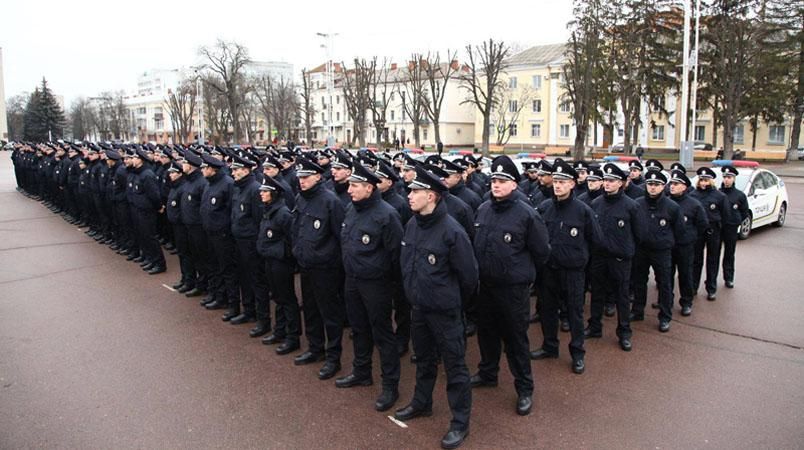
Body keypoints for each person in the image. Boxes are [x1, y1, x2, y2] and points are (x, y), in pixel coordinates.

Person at [394, 165, 478, 450]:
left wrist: (451, 302)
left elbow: (469, 277)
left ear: (430, 196)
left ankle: (459, 422)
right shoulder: (413, 224)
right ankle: (422, 403)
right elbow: (407, 263)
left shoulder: (451, 231)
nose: (409, 195)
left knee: (455, 367)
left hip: (445, 312)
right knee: (424, 360)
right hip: (419, 307)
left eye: (415, 191)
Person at [470, 155, 550, 417]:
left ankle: (525, 388)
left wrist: (522, 275)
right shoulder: (483, 209)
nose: (496, 184)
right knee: (487, 333)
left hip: (513, 289)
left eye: (502, 180)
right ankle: (488, 372)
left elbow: (541, 251)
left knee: (516, 339)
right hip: (487, 286)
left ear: (514, 184)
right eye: (494, 179)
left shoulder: (526, 214)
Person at [335, 163, 403, 413]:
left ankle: (390, 386)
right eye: (350, 185)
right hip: (353, 279)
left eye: (354, 186)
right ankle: (362, 371)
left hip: (377, 284)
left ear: (369, 187)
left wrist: (388, 282)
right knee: (359, 328)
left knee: (383, 334)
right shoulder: (351, 210)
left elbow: (396, 254)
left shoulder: (386, 215)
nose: (349, 190)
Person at [531, 160, 602, 375]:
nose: (558, 185)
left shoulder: (583, 211)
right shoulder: (544, 208)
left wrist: (581, 260)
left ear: (572, 184)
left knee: (574, 313)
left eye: (563, 182)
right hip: (549, 270)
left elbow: (596, 240)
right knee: (548, 310)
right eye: (556, 181)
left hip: (573, 272)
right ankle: (549, 346)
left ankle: (578, 353)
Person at [292, 157, 347, 382]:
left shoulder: (330, 202)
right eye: (300, 178)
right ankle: (315, 348)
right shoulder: (300, 199)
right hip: (306, 264)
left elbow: (340, 236)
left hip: (326, 268)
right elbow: (297, 229)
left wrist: (331, 260)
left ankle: (333, 358)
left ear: (317, 176)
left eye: (306, 178)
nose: (302, 182)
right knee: (311, 310)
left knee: (329, 314)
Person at [586, 163, 643, 351]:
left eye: (612, 181)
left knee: (622, 297)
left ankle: (624, 332)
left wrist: (626, 251)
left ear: (621, 183)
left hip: (620, 259)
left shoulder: (631, 206)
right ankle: (595, 326)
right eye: (606, 180)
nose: (607, 184)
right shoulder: (596, 204)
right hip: (600, 257)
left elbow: (639, 234)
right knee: (597, 293)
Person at [631, 171, 683, 332]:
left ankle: (665, 316)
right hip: (641, 249)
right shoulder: (637, 203)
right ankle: (638, 310)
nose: (652, 188)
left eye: (656, 185)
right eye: (650, 184)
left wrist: (667, 243)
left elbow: (679, 230)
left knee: (664, 284)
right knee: (639, 281)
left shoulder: (672, 207)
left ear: (663, 186)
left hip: (662, 251)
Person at [256, 176, 301, 356]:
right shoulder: (268, 210)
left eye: (265, 192)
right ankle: (279, 330)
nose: (262, 194)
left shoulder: (283, 214)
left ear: (274, 194)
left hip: (281, 262)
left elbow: (292, 239)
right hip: (269, 259)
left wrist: (284, 254)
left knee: (287, 298)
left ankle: (292, 337)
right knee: (277, 296)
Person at [228, 154, 266, 331]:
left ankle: (262, 318)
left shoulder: (254, 189)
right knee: (243, 276)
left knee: (256, 280)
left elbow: (259, 220)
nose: (233, 172)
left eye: (236, 169)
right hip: (238, 240)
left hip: (251, 242)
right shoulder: (238, 188)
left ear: (246, 170)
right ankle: (248, 309)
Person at [668, 170, 708, 316]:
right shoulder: (665, 202)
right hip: (668, 245)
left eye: (676, 184)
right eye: (671, 183)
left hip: (685, 246)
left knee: (685, 274)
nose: (672, 186)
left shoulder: (694, 205)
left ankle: (686, 302)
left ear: (684, 187)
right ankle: (666, 301)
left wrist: (690, 237)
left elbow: (702, 224)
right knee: (666, 275)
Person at [690, 167, 730, 300]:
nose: (703, 183)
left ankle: (711, 288)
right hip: (698, 231)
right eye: (701, 180)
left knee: (713, 260)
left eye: (706, 180)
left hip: (714, 230)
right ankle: (693, 286)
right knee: (696, 260)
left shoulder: (720, 196)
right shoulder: (693, 195)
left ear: (711, 181)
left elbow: (726, 216)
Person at [127, 148, 167, 274]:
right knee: (142, 235)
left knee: (150, 236)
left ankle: (159, 263)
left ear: (140, 160)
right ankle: (150, 259)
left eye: (134, 157)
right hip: (137, 209)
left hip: (146, 211)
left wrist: (159, 206)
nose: (131, 159)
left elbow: (154, 194)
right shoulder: (137, 173)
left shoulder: (147, 174)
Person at [720, 165, 749, 288]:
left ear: (734, 179)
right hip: (718, 227)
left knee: (729, 254)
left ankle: (729, 278)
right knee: (714, 254)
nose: (727, 179)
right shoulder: (717, 193)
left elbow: (744, 212)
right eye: (725, 177)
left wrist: (736, 221)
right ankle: (712, 281)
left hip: (731, 228)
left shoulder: (739, 195)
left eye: (729, 177)